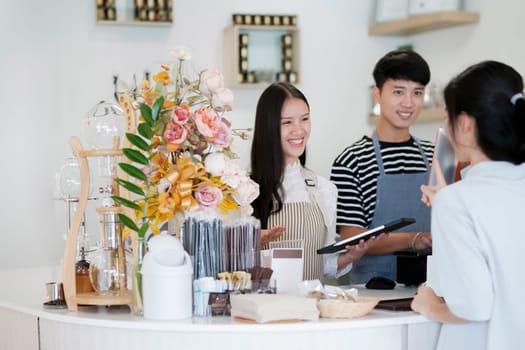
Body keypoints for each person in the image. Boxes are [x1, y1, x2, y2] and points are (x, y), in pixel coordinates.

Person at [412, 60, 525, 349]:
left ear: (464, 124)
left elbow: (474, 306)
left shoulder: (457, 201)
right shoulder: (459, 199)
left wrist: (428, 305)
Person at [250, 82, 381, 281]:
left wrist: (350, 256)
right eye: (287, 122)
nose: (299, 130)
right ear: (268, 126)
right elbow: (230, 269)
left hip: (312, 308)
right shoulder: (242, 190)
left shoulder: (324, 189)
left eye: (304, 119)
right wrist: (250, 245)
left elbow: (324, 264)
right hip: (264, 309)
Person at [330, 49, 433, 284]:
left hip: (431, 290)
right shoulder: (351, 160)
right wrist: (414, 239)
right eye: (398, 91)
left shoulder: (434, 153)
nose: (408, 102)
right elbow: (352, 238)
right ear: (377, 94)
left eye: (417, 92)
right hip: (373, 292)